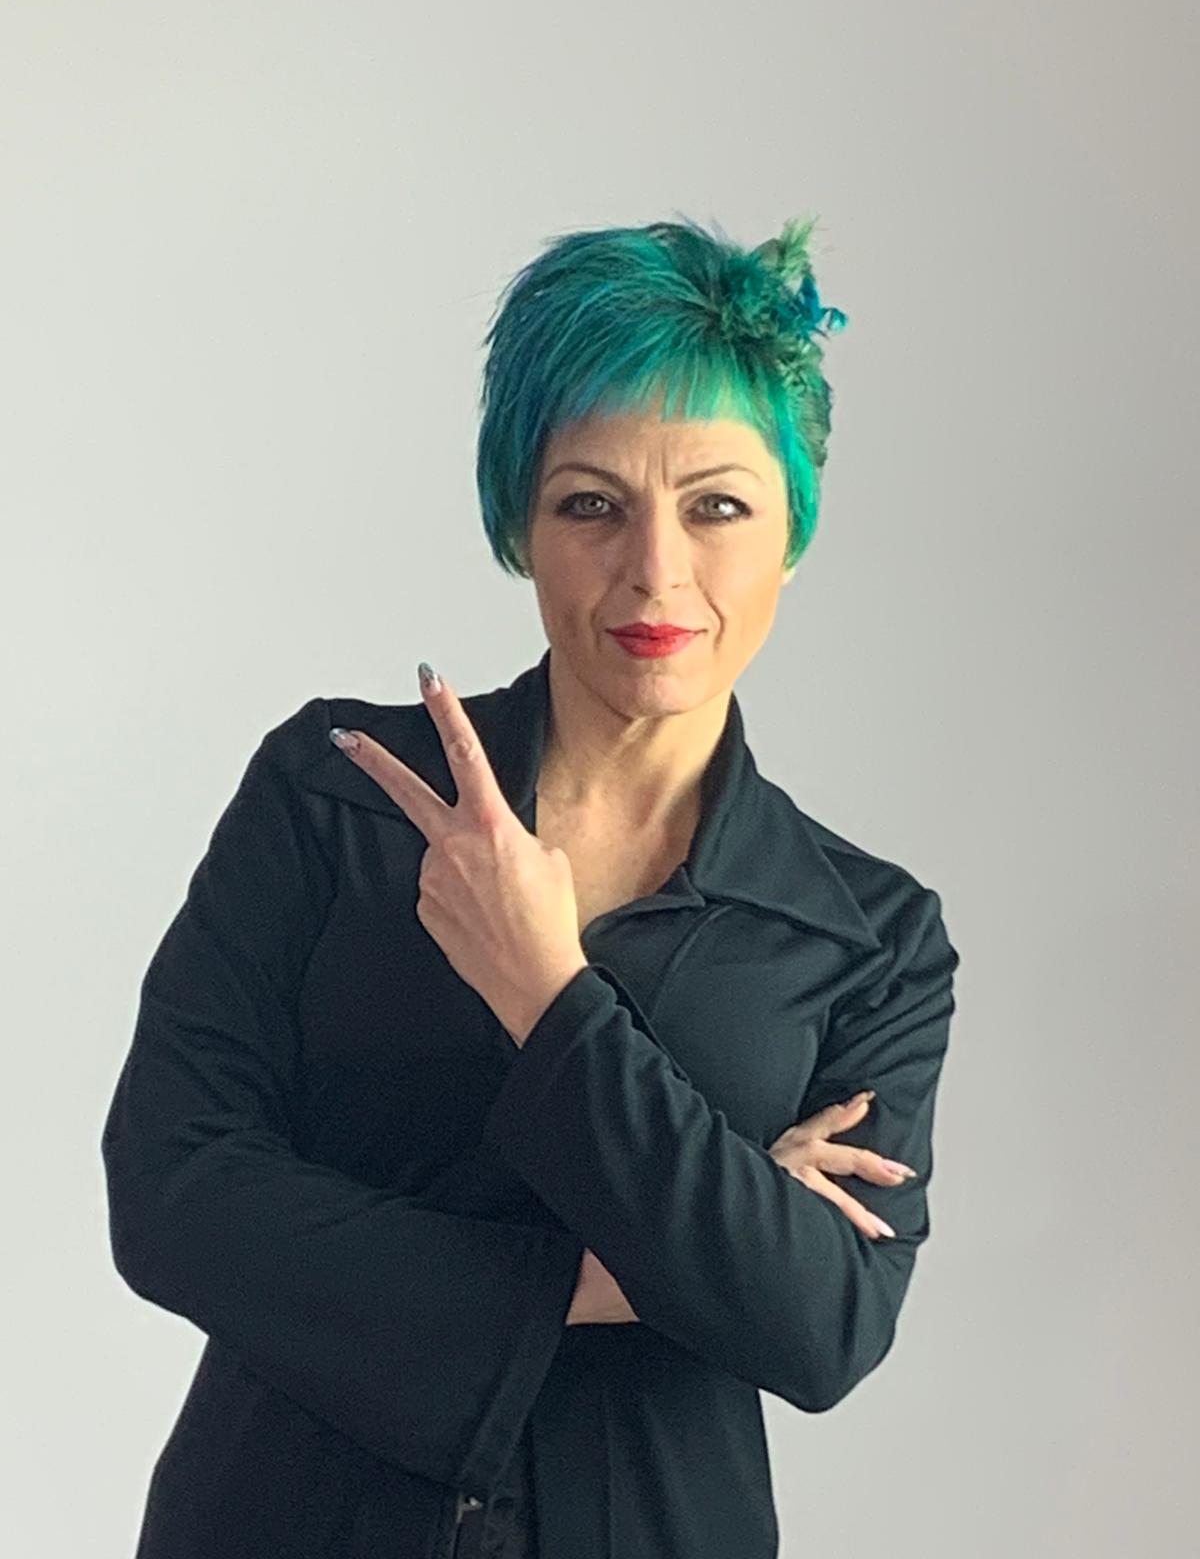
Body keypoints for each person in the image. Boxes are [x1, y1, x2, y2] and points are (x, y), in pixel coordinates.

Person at [101, 214, 961, 1559]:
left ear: (794, 530)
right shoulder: (336, 795)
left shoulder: (870, 938)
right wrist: (638, 1267)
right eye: (591, 505)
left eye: (718, 506)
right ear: (519, 523)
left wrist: (545, 990)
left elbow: (820, 1323)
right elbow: (172, 1195)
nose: (656, 570)